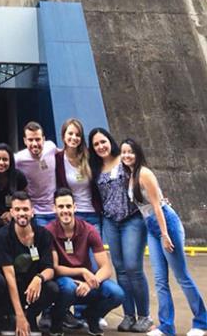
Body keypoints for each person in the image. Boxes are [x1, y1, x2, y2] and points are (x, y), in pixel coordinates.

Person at [121, 139, 207, 336]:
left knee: (181, 276)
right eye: (124, 152)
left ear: (138, 153)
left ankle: (201, 322)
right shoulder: (132, 174)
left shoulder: (144, 173)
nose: (127, 156)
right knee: (160, 280)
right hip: (151, 226)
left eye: (131, 152)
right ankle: (166, 326)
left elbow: (158, 206)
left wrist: (165, 234)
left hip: (166, 224)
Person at [88, 128, 151, 333]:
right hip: (110, 222)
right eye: (96, 144)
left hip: (132, 219)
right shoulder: (95, 168)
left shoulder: (124, 159)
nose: (101, 146)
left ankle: (144, 316)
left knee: (133, 267)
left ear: (110, 141)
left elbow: (144, 177)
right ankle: (128, 315)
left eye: (103, 142)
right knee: (121, 270)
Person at [47, 188, 124, 336]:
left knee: (116, 293)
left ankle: (92, 316)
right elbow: (55, 268)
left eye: (68, 206)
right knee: (68, 286)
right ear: (54, 208)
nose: (65, 211)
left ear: (75, 207)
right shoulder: (49, 231)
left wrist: (90, 282)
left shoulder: (89, 230)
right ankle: (56, 321)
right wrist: (82, 271)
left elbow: (106, 268)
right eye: (61, 207)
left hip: (87, 283)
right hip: (63, 283)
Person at [0, 191, 59, 336]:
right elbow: (10, 276)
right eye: (17, 210)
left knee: (52, 288)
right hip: (9, 286)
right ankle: (8, 316)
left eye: (25, 209)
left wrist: (39, 278)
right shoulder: (2, 235)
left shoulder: (43, 235)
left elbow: (50, 268)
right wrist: (19, 315)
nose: (22, 213)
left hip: (31, 287)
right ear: (12, 213)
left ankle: (30, 316)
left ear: (32, 212)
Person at [56, 118, 101, 230]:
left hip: (93, 214)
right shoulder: (58, 159)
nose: (74, 138)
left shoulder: (90, 157)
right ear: (63, 136)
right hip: (73, 215)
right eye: (70, 133)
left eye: (77, 135)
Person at [15, 121, 58, 227]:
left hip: (56, 210)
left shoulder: (51, 147)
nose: (34, 144)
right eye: (30, 140)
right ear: (25, 141)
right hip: (36, 212)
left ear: (43, 139)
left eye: (37, 139)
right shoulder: (19, 159)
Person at [0, 143, 27, 226]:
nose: (1, 163)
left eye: (5, 159)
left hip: (13, 221)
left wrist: (11, 213)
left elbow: (24, 200)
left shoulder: (19, 177)